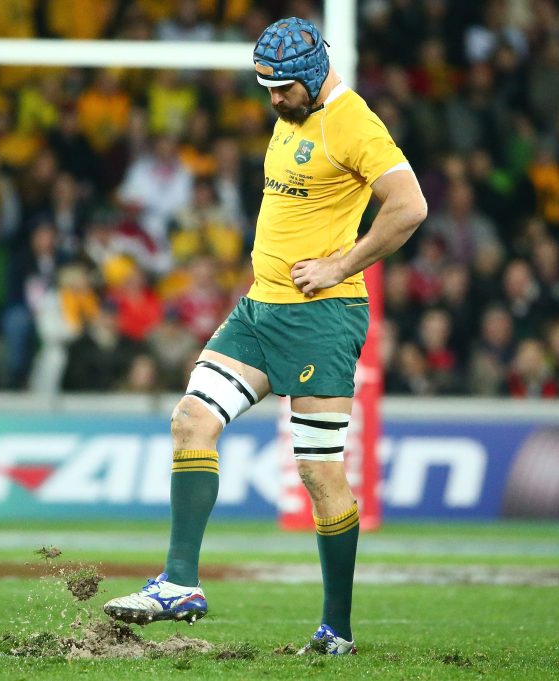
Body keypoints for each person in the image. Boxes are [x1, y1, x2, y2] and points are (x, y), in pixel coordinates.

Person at [103, 17, 428, 657]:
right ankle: (180, 583)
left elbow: (410, 205)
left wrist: (340, 264)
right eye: (266, 87)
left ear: (310, 76)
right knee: (191, 421)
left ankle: (337, 628)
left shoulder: (353, 122)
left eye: (280, 88)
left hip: (321, 317)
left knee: (317, 473)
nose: (271, 99)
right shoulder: (293, 116)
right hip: (260, 309)